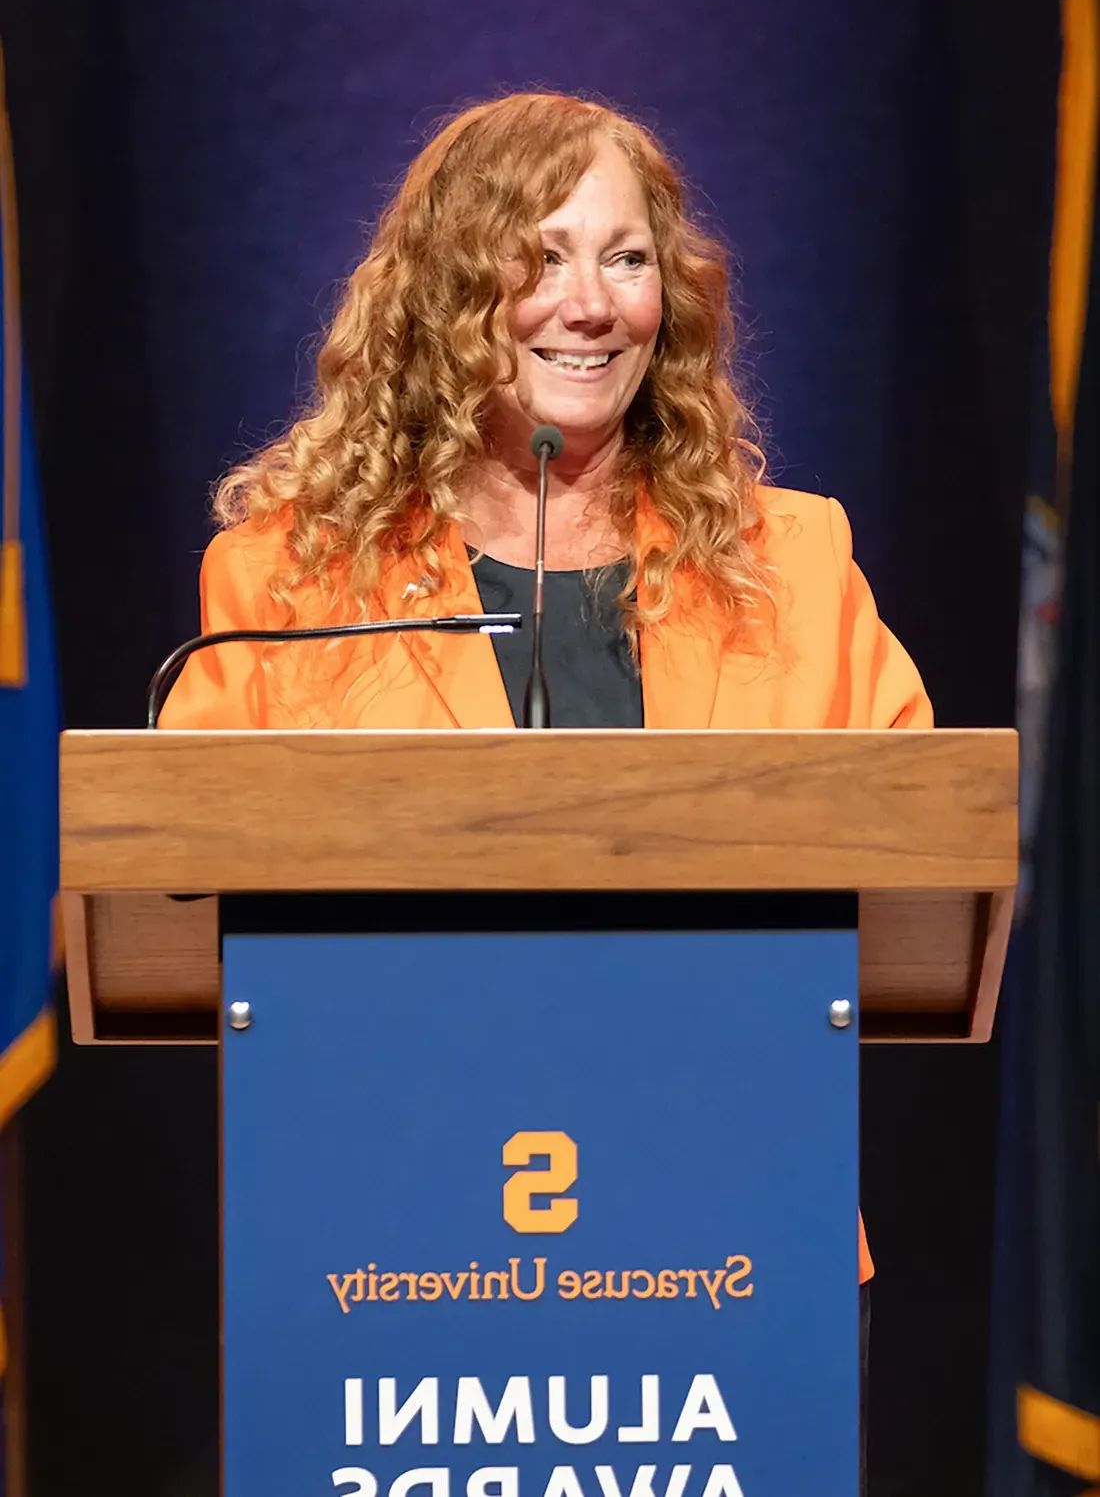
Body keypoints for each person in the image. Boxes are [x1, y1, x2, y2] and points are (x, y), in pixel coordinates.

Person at [160, 91, 932, 1484]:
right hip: (389, 1269)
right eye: (541, 255)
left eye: (626, 259)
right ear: (452, 292)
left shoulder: (799, 567)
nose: (590, 305)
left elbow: (931, 858)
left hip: (726, 1259)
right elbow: (180, 891)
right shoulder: (285, 578)